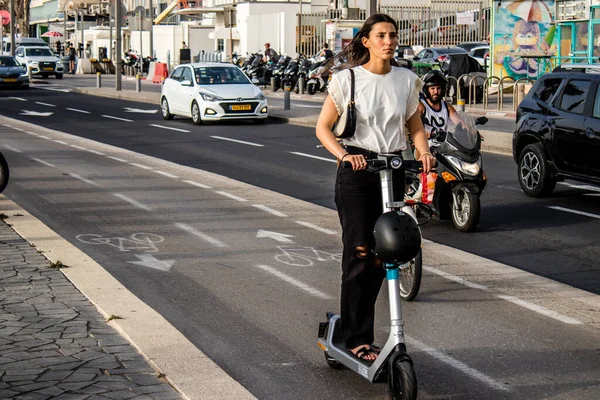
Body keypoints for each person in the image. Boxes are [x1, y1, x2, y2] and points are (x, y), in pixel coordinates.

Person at [315, 13, 435, 362]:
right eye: (381, 35)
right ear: (366, 41)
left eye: (393, 35)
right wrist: (343, 156)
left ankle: (363, 331)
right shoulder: (347, 80)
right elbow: (323, 128)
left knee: (387, 255)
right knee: (360, 254)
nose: (389, 40)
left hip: (392, 168)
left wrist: (424, 152)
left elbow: (414, 126)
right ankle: (357, 338)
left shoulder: (406, 80)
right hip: (357, 170)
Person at [415, 70, 465, 158]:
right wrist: (424, 133)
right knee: (425, 166)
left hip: (444, 147)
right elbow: (414, 125)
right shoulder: (421, 106)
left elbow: (460, 122)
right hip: (425, 147)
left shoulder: (446, 106)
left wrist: (470, 131)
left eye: (438, 88)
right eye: (432, 89)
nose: (436, 91)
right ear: (427, 90)